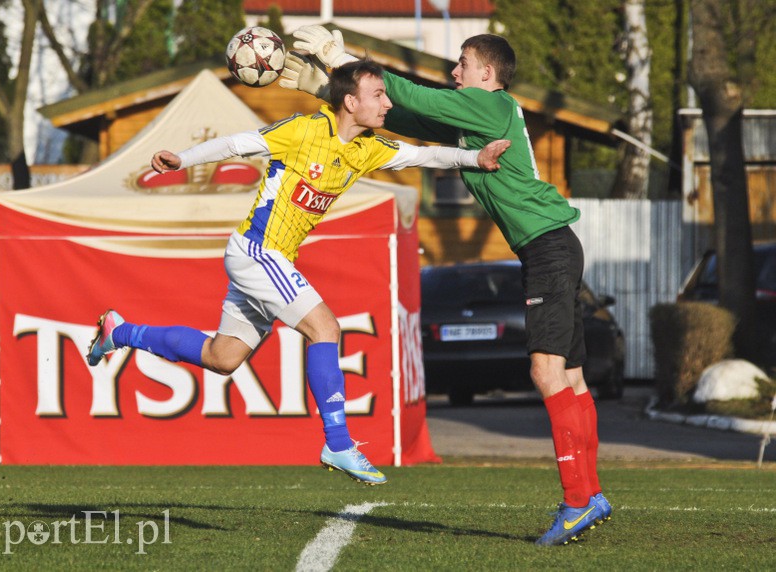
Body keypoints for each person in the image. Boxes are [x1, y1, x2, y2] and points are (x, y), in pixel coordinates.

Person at [87, 59, 510, 487]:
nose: (387, 102)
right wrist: (182, 159)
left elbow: (424, 154)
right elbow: (237, 144)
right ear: (350, 101)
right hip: (258, 251)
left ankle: (119, 332)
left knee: (222, 357)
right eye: (378, 95)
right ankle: (339, 443)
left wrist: (475, 157)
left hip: (271, 259)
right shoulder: (305, 131)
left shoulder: (367, 149)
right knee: (325, 328)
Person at [288, 26, 611, 543]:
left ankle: (577, 500)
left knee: (547, 373)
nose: (454, 71)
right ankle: (588, 494)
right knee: (570, 378)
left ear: (487, 74)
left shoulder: (490, 105)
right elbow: (408, 116)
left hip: (549, 249)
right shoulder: (476, 118)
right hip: (551, 247)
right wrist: (326, 86)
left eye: (462, 63)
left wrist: (339, 56)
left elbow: (414, 96)